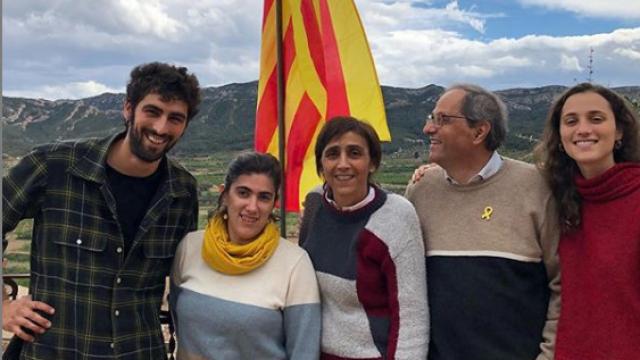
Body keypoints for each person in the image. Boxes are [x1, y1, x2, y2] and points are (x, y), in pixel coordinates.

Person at [2, 62, 201, 359]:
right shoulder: (54, 166)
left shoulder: (183, 191)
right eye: (153, 111)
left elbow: (186, 278)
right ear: (128, 109)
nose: (161, 128)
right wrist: (4, 306)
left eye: (175, 118)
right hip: (56, 351)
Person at [405, 84, 560, 360]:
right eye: (432, 118)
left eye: (442, 120)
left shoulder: (537, 186)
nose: (429, 128)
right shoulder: (421, 190)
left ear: (479, 131)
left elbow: (563, 285)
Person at [299, 116, 428, 359]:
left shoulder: (396, 215)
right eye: (332, 154)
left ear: (372, 163)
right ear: (321, 164)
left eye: (355, 153)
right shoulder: (315, 203)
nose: (343, 164)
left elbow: (411, 317)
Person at [170, 151, 321, 359]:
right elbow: (179, 322)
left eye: (264, 197)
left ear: (274, 203)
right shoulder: (190, 248)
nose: (252, 207)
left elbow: (303, 352)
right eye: (243, 193)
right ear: (224, 194)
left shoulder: (294, 264)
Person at [534, 83, 640, 360]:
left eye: (596, 118)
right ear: (559, 136)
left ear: (619, 131)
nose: (583, 129)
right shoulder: (554, 196)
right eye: (571, 121)